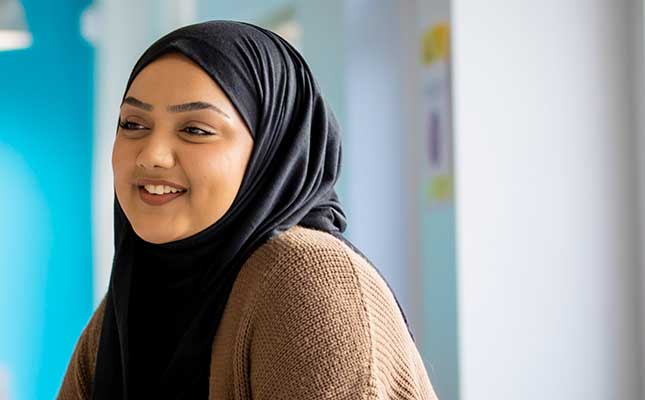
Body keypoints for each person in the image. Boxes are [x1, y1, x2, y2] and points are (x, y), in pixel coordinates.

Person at [56, 21, 436, 399]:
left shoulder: (306, 280)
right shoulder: (136, 293)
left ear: (271, 152)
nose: (152, 155)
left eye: (196, 130)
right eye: (133, 124)